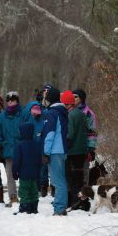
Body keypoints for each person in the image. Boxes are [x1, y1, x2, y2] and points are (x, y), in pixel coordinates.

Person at [0, 91, 24, 207]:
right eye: (8, 100)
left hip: (21, 148)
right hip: (8, 149)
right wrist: (0, 145)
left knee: (23, 174)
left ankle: (24, 195)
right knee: (9, 174)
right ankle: (13, 197)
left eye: (13, 100)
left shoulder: (23, 113)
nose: (10, 102)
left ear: (17, 101)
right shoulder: (2, 115)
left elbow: (29, 129)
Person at [42, 87, 68, 216]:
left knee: (58, 181)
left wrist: (46, 152)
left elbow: (50, 134)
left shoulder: (52, 113)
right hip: (62, 149)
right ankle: (60, 205)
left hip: (55, 150)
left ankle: (59, 208)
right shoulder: (62, 111)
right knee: (60, 179)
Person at [60, 90, 88, 207]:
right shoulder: (81, 113)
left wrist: (64, 144)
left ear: (66, 103)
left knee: (71, 178)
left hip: (73, 152)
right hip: (82, 151)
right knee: (79, 177)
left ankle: (74, 202)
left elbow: (70, 134)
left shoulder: (70, 115)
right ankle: (83, 201)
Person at [12, 122, 42, 214]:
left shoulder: (19, 145)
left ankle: (25, 208)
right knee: (33, 190)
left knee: (24, 190)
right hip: (35, 173)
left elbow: (17, 160)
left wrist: (14, 171)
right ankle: (34, 207)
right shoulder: (37, 143)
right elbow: (39, 159)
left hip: (24, 173)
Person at [73, 89, 98, 185]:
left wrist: (91, 148)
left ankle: (84, 196)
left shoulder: (89, 114)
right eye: (72, 96)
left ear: (82, 98)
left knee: (83, 173)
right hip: (71, 147)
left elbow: (92, 131)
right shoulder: (68, 110)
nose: (73, 98)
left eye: (76, 96)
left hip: (84, 147)